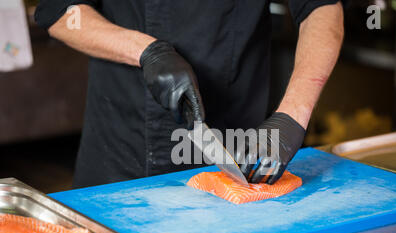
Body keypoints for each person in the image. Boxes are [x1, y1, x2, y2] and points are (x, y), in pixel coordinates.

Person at [35, 0, 344, 187]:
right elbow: (61, 11)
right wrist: (147, 52)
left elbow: (322, 8)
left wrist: (291, 116)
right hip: (120, 148)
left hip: (236, 151)